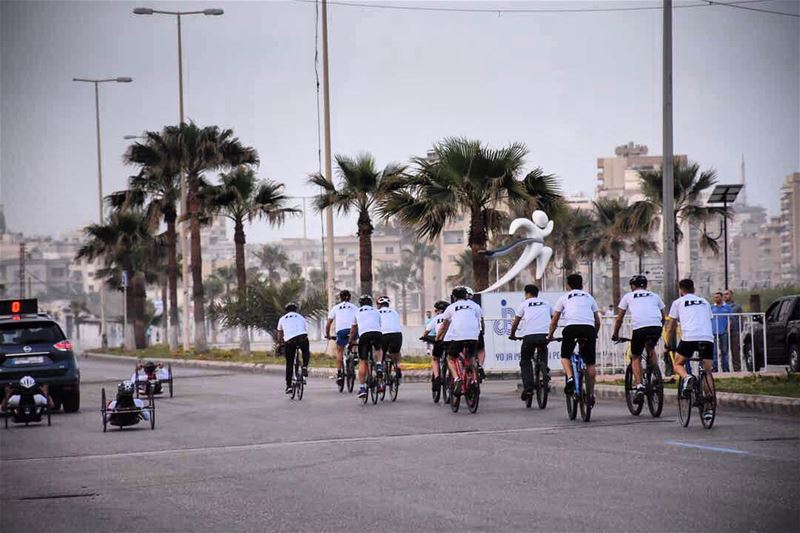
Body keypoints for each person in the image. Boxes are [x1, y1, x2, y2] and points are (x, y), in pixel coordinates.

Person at [548, 273, 601, 406]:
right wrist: (594, 334)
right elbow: (597, 321)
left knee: (565, 356)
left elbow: (554, 320)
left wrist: (550, 335)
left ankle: (571, 378)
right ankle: (591, 394)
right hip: (588, 329)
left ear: (567, 285)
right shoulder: (589, 297)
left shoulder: (564, 297)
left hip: (571, 328)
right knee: (590, 363)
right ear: (582, 285)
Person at [666, 279, 715, 420]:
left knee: (678, 363)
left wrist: (666, 343)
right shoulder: (705, 302)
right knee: (707, 372)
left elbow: (671, 326)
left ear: (681, 290)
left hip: (689, 338)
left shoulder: (678, 302)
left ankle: (687, 377)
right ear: (693, 288)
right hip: (706, 338)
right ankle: (709, 408)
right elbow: (708, 319)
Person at [611, 274, 666, 401]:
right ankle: (655, 376)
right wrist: (658, 329)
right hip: (656, 326)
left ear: (633, 286)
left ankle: (640, 386)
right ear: (645, 285)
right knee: (650, 348)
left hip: (640, 328)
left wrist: (615, 334)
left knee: (635, 356)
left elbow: (619, 318)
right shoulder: (654, 296)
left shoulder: (628, 296)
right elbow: (663, 317)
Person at [509, 284, 552, 403]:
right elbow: (553, 317)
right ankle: (545, 371)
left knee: (525, 360)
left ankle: (528, 388)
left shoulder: (524, 304)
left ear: (527, 294)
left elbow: (516, 321)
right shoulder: (546, 303)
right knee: (543, 348)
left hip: (530, 336)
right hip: (544, 334)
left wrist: (512, 334)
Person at [436, 286, 483, 395]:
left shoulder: (451, 307)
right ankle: (475, 380)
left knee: (450, 358)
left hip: (458, 337)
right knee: (471, 357)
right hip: (474, 337)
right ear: (466, 295)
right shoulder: (475, 306)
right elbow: (481, 321)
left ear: (454, 297)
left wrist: (438, 338)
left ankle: (457, 378)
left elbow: (444, 326)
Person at [349, 294, 384, 399]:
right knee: (378, 349)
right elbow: (379, 324)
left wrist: (350, 341)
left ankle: (362, 388)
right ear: (371, 303)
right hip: (377, 333)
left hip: (364, 336)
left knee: (363, 361)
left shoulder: (357, 312)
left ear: (360, 304)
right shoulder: (376, 311)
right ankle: (378, 365)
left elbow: (353, 330)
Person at [325, 290, 358, 389]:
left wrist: (328, 335)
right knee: (354, 340)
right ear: (350, 297)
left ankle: (340, 374)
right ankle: (355, 355)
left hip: (341, 332)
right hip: (352, 330)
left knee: (339, 351)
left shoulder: (335, 308)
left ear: (340, 298)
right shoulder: (355, 307)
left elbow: (328, 324)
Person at [277, 302, 311, 394]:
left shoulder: (282, 319)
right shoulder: (301, 317)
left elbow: (280, 334)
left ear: (286, 311)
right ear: (296, 310)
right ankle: (304, 366)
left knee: (289, 363)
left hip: (290, 341)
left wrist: (280, 344)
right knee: (306, 350)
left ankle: (289, 386)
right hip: (302, 338)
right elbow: (304, 330)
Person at [424, 300, 450, 392]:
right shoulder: (452, 316)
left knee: (435, 359)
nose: (435, 312)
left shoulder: (436, 318)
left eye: (436, 311)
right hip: (452, 340)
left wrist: (423, 336)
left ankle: (437, 378)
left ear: (439, 310)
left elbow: (427, 330)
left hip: (440, 340)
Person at [377, 296, 403, 382]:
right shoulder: (394, 312)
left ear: (379, 304)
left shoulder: (377, 312)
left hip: (383, 334)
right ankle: (397, 366)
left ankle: (380, 367)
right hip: (397, 334)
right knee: (396, 352)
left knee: (380, 352)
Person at [464, 286, 486, 380]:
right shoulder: (476, 306)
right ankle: (480, 365)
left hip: (462, 334)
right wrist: (483, 331)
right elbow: (481, 320)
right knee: (481, 350)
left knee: (464, 351)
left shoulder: (455, 306)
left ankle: (466, 365)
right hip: (476, 333)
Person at [711, 292, 732, 372]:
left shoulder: (727, 307)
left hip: (723, 332)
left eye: (718, 297)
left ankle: (725, 368)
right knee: (714, 351)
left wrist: (727, 329)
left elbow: (730, 319)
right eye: (715, 297)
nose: (716, 299)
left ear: (721, 297)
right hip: (713, 332)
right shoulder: (711, 307)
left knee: (724, 351)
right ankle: (714, 368)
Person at [723, 289, 743, 371]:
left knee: (735, 351)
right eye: (724, 294)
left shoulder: (737, 306)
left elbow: (740, 319)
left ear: (731, 295)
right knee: (724, 352)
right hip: (724, 332)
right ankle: (725, 369)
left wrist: (739, 330)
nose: (725, 296)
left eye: (727, 294)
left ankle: (737, 369)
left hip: (734, 331)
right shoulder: (721, 306)